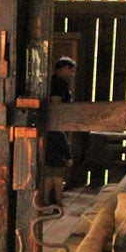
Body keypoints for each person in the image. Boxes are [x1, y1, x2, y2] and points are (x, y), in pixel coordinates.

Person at [43, 56, 76, 207]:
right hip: (55, 126)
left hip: (50, 128)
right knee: (56, 173)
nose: (72, 74)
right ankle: (57, 200)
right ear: (64, 69)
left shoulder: (51, 80)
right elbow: (56, 104)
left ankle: (45, 200)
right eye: (71, 70)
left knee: (48, 173)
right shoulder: (59, 83)